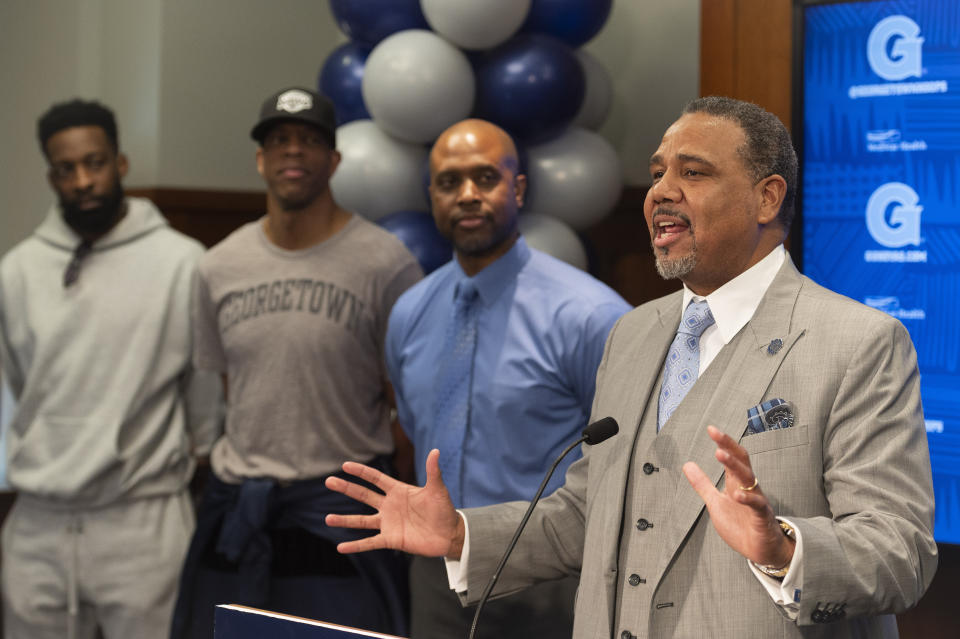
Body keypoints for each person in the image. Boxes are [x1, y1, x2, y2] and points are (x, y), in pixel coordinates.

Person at [323, 97, 938, 638]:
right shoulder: (633, 333)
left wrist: (784, 548)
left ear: (766, 197)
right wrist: (462, 534)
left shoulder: (859, 342)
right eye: (656, 173)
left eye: (693, 173)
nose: (660, 192)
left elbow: (899, 552)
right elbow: (588, 515)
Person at [169, 87, 422, 638]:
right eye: (279, 140)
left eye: (309, 140)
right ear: (260, 159)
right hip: (240, 510)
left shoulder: (385, 262)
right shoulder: (217, 267)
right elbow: (234, 386)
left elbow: (404, 402)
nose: (292, 151)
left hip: (340, 513)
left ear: (333, 160)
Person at [385, 119, 631, 638]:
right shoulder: (410, 313)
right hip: (436, 574)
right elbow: (412, 422)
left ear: (517, 188)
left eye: (485, 178)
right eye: (450, 183)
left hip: (548, 576)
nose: (468, 195)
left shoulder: (588, 315)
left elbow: (630, 452)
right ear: (431, 196)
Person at [0, 99, 222, 639]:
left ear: (120, 164)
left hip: (143, 516)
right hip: (39, 522)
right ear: (51, 175)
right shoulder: (17, 271)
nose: (82, 181)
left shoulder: (183, 262)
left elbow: (204, 394)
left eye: (94, 163)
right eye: (66, 169)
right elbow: (22, 386)